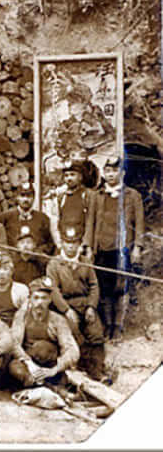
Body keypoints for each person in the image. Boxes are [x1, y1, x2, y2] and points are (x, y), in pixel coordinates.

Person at [91, 156, 145, 340]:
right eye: (107, 171)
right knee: (105, 288)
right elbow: (90, 223)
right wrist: (88, 246)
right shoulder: (97, 196)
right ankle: (108, 325)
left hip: (122, 249)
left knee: (121, 288)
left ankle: (118, 326)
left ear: (122, 173)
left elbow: (139, 224)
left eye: (114, 171)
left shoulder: (132, 195)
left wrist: (137, 247)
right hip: (102, 248)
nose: (111, 174)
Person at [47, 225, 106, 380]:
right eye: (67, 242)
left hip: (85, 304)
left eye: (74, 242)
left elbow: (94, 286)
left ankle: (98, 369)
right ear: (62, 243)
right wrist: (66, 310)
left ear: (79, 244)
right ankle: (83, 369)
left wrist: (91, 307)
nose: (71, 246)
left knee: (96, 333)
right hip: (65, 306)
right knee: (74, 333)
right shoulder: (54, 264)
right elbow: (53, 290)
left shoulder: (85, 262)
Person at [8, 277, 80, 388]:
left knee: (42, 348)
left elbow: (72, 350)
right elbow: (14, 343)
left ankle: (43, 383)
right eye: (36, 298)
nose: (40, 302)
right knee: (14, 367)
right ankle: (41, 384)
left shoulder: (57, 320)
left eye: (44, 298)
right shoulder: (21, 316)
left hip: (49, 364)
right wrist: (29, 364)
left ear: (50, 300)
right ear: (30, 299)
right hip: (29, 362)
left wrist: (54, 369)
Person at [0, 182, 54, 255]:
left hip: (36, 260)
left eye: (29, 196)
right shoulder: (5, 217)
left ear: (34, 198)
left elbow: (50, 243)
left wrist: (38, 252)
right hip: (13, 259)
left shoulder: (43, 218)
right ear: (17, 197)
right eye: (22, 195)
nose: (25, 199)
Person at [54, 158, 94, 250]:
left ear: (80, 177)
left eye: (72, 175)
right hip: (64, 243)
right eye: (66, 175)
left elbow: (90, 221)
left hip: (81, 243)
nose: (69, 178)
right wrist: (59, 244)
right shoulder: (61, 197)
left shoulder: (88, 195)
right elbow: (55, 220)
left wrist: (86, 244)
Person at [0, 252, 29, 327]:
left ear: (11, 271)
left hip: (16, 327)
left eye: (5, 269)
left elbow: (24, 315)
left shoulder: (21, 290)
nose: (1, 273)